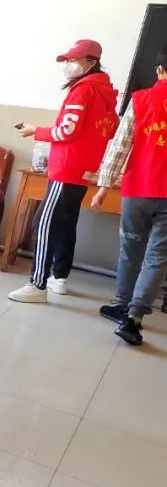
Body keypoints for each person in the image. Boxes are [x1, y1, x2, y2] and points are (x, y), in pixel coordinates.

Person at [9, 39, 119, 303]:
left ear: (91, 62)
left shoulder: (83, 90)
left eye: (73, 60)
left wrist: (36, 131)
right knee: (66, 222)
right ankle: (59, 277)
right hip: (84, 168)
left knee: (44, 223)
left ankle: (37, 285)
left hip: (67, 167)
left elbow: (67, 130)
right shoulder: (105, 93)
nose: (69, 65)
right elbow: (110, 129)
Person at [92, 45, 167, 345]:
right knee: (158, 258)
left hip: (138, 190)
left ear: (159, 69)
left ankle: (121, 305)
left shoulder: (141, 99)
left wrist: (103, 186)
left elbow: (119, 146)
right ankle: (134, 319)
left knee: (130, 249)